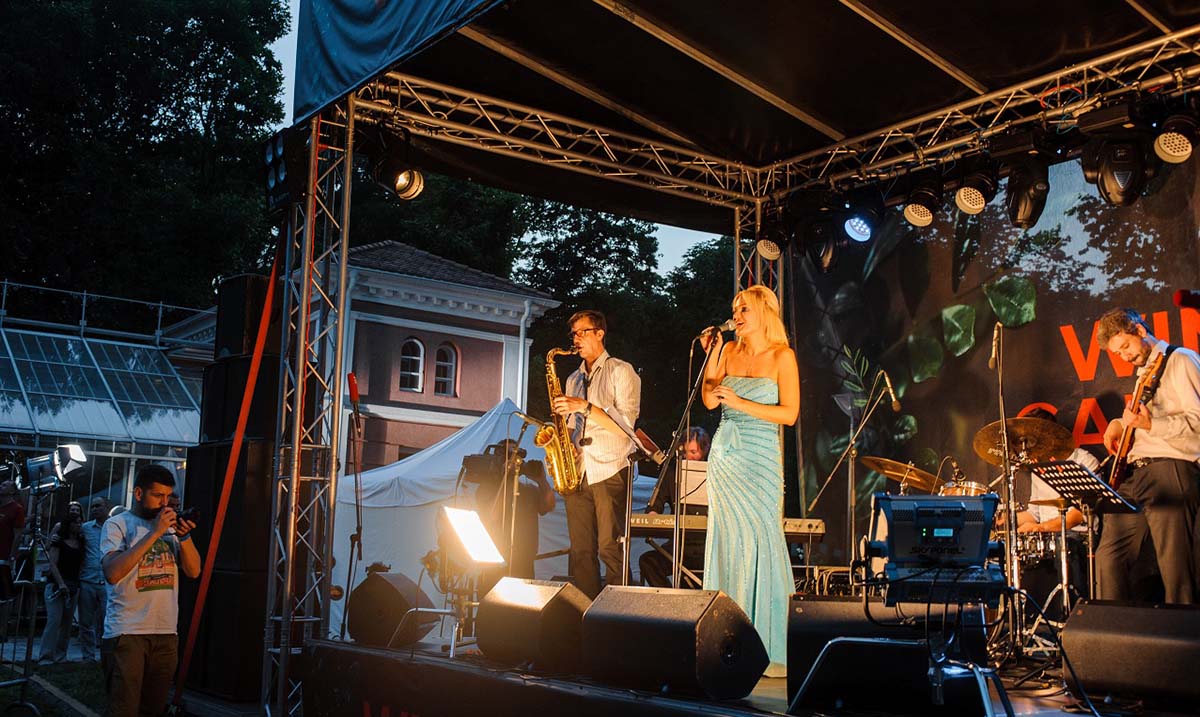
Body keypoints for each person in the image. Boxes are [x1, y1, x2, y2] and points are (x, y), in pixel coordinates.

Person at [700, 285, 800, 677]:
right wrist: (712, 354)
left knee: (761, 538)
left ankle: (770, 646)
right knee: (726, 541)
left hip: (760, 457)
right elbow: (709, 400)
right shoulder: (728, 350)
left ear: (764, 312)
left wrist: (741, 402)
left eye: (744, 309)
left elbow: (789, 414)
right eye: (735, 308)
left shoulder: (782, 356)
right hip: (725, 457)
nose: (737, 315)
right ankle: (726, 643)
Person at [1095, 307, 1200, 604]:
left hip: (1171, 469)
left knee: (1175, 567)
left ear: (1140, 331)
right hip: (1137, 474)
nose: (1124, 356)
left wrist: (1151, 424)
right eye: (1118, 353)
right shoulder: (1145, 374)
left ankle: (1182, 630)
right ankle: (1110, 627)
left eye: (1125, 346)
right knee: (1108, 556)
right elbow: (1139, 421)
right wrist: (1119, 424)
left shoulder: (1181, 360)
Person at [551, 310, 641, 599]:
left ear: (600, 333)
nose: (576, 339)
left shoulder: (621, 371)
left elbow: (625, 427)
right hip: (578, 471)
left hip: (610, 467)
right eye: (573, 334)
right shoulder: (573, 378)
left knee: (609, 547)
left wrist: (585, 406)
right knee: (580, 551)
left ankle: (619, 611)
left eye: (582, 332)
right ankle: (585, 613)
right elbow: (569, 427)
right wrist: (563, 449)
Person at [101, 465, 201, 717]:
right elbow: (112, 572)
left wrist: (184, 537)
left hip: (166, 631)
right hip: (127, 631)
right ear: (138, 493)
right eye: (158, 496)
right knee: (124, 708)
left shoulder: (170, 527)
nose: (164, 503)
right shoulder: (117, 524)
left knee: (154, 709)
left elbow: (194, 571)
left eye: (168, 497)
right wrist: (155, 532)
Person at [639, 427, 710, 588]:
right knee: (648, 561)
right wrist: (652, 513)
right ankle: (670, 599)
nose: (689, 457)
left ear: (705, 450)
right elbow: (655, 505)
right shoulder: (672, 473)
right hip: (678, 546)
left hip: (707, 547)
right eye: (686, 452)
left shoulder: (714, 475)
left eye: (694, 452)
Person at [38, 511, 84, 663]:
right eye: (75, 522)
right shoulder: (59, 541)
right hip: (56, 585)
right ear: (69, 524)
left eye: (80, 522)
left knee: (67, 622)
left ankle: (61, 655)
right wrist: (61, 583)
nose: (78, 525)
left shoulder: (81, 542)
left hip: (73, 584)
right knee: (54, 620)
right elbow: (53, 564)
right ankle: (46, 655)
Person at [79, 495, 111, 662]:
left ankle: (106, 656)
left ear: (106, 507)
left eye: (98, 506)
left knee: (108, 620)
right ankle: (88, 656)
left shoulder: (115, 526)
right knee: (86, 621)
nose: (94, 509)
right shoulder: (85, 528)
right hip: (88, 579)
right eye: (92, 507)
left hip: (108, 581)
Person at [0, 480, 26, 639]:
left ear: (12, 491)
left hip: (4, 558)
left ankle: (2, 631)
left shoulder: (17, 509)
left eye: (5, 485)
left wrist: (11, 556)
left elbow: (18, 534)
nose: (1, 486)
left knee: (4, 596)